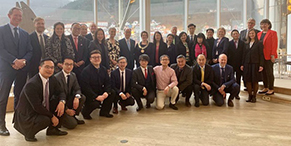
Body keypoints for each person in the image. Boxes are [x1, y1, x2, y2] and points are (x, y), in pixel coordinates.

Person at [13, 59, 67, 141]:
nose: (49, 70)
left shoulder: (52, 79)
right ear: (40, 68)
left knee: (59, 102)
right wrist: (52, 116)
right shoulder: (32, 84)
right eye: (47, 67)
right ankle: (29, 134)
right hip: (27, 114)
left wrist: (62, 102)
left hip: (41, 108)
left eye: (52, 68)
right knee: (46, 120)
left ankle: (52, 130)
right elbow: (36, 106)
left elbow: (61, 92)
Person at [0, 7, 33, 136]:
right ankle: (1, 125)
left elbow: (30, 51)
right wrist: (14, 61)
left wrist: (23, 61)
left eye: (20, 16)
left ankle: (18, 122)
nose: (18, 18)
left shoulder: (25, 33)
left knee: (20, 97)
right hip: (6, 69)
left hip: (21, 70)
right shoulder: (1, 30)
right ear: (9, 15)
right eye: (16, 15)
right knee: (3, 97)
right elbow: (1, 49)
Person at [80, 50, 114, 119]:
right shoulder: (86, 71)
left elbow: (108, 82)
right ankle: (85, 112)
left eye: (98, 57)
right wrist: (95, 96)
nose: (96, 59)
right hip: (89, 94)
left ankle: (104, 112)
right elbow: (85, 87)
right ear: (90, 59)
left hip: (100, 91)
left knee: (112, 92)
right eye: (94, 57)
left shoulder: (103, 69)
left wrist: (106, 92)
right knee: (95, 103)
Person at [54, 57, 86, 129]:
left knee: (82, 97)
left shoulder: (73, 75)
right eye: (66, 64)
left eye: (71, 64)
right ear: (62, 65)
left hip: (68, 100)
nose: (69, 67)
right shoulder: (56, 78)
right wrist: (66, 110)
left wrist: (77, 97)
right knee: (72, 125)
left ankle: (73, 116)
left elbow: (77, 88)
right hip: (60, 104)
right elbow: (55, 97)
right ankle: (62, 119)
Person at [241, 29, 264, 103]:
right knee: (247, 80)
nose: (251, 34)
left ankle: (254, 96)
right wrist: (242, 64)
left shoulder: (259, 43)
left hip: (255, 63)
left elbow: (261, 54)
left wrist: (261, 65)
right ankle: (250, 95)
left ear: (255, 34)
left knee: (255, 80)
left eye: (253, 33)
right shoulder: (246, 43)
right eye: (250, 33)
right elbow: (243, 54)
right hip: (247, 63)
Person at [257, 19, 278, 95]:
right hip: (261, 56)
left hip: (269, 56)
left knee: (269, 72)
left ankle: (271, 88)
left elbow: (274, 45)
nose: (264, 25)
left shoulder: (273, 33)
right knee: (263, 73)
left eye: (265, 24)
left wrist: (273, 55)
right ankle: (265, 87)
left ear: (269, 25)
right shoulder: (259, 34)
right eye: (262, 24)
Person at [227, 29, 245, 100]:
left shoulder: (242, 43)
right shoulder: (229, 43)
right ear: (232, 35)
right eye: (234, 34)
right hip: (231, 64)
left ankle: (237, 94)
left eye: (236, 34)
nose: (235, 35)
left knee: (238, 79)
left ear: (239, 35)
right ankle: (232, 92)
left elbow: (244, 54)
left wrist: (242, 64)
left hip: (239, 64)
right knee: (231, 78)